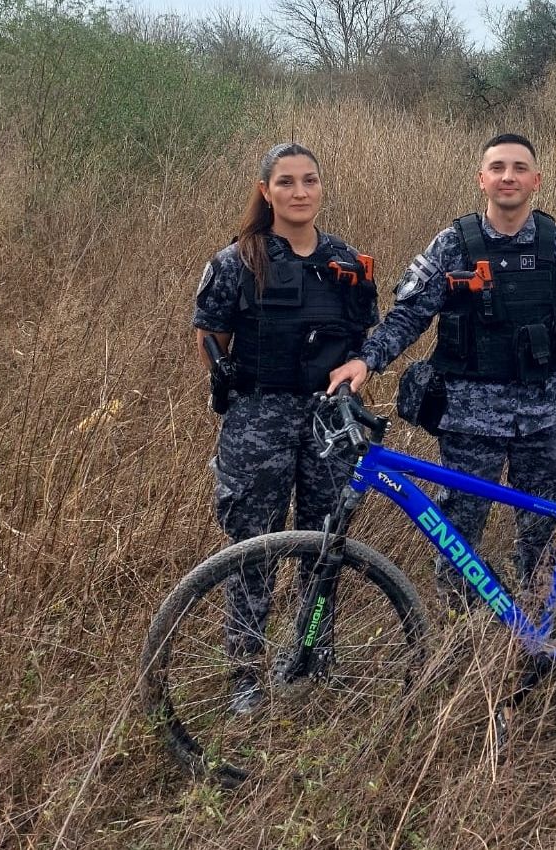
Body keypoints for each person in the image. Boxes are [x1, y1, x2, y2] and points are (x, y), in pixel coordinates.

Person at [328, 133, 556, 607]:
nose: (508, 177)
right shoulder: (453, 245)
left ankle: (541, 622)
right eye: (497, 168)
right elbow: (409, 315)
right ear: (482, 179)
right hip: (468, 420)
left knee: (546, 524)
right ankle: (460, 624)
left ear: (536, 180)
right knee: (458, 527)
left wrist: (547, 361)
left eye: (519, 168)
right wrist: (367, 359)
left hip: (544, 417)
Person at [193, 142, 379, 712]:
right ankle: (245, 674)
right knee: (253, 550)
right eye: (287, 182)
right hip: (259, 419)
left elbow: (364, 340)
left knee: (324, 547)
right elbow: (210, 337)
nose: (300, 192)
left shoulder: (347, 262)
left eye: (310, 180)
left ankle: (313, 659)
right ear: (266, 191)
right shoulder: (237, 261)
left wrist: (353, 374)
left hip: (328, 421)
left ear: (321, 187)